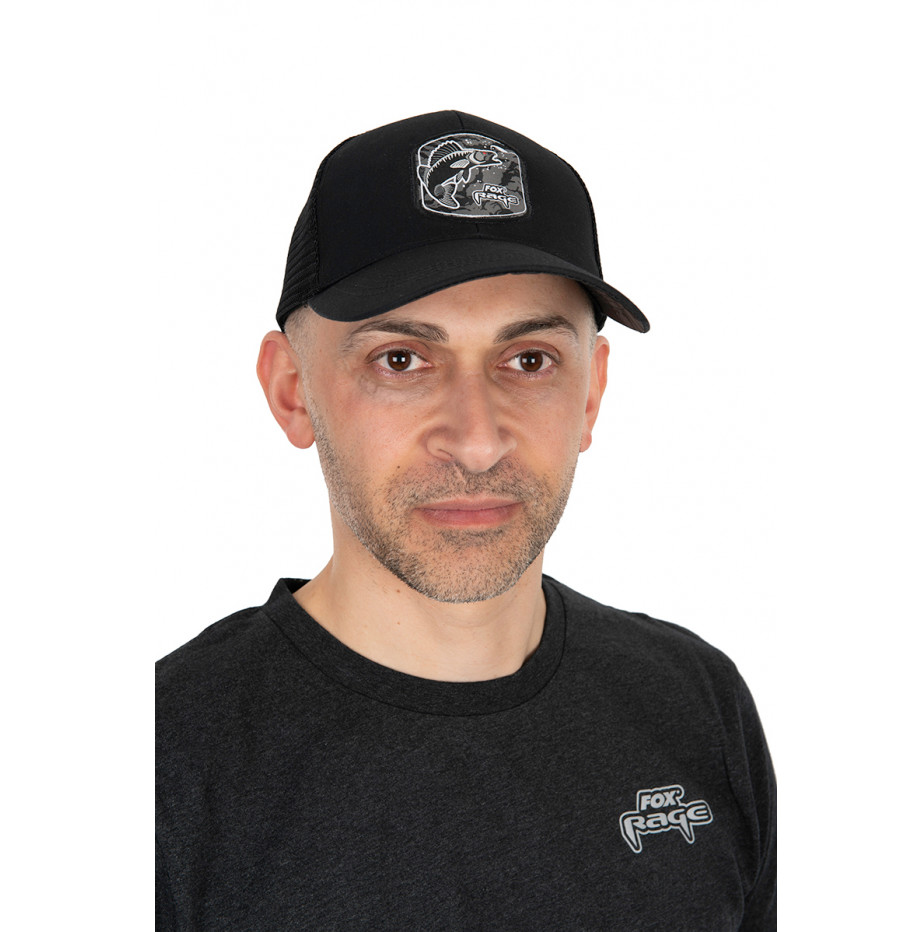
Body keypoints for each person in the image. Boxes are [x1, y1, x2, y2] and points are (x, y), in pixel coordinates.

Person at [156, 111, 776, 931]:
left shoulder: (696, 706)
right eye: (401, 360)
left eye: (529, 361)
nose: (477, 441)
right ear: (293, 392)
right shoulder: (162, 761)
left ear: (591, 395)